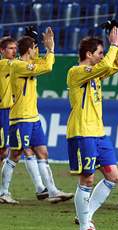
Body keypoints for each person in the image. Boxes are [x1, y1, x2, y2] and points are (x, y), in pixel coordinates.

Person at [0, 28, 73, 204]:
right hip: (20, 117)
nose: (37, 51)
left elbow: (43, 63)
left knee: (42, 151)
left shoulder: (28, 64)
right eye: (35, 48)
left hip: (33, 117)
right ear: (29, 50)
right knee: (16, 154)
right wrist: (51, 49)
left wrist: (41, 44)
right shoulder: (17, 65)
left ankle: (51, 190)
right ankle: (5, 192)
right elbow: (47, 65)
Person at [67, 26, 118, 230]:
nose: (102, 57)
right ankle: (84, 227)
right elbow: (107, 64)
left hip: (99, 133)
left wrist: (117, 44)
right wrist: (112, 46)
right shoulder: (76, 72)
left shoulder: (97, 74)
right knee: (87, 178)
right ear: (89, 54)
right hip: (83, 132)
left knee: (113, 176)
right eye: (99, 53)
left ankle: (86, 216)